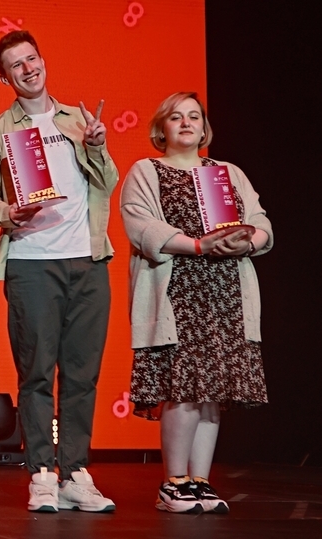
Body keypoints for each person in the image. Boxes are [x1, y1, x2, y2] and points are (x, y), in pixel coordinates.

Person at [0, 30, 118, 513]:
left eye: (32, 58)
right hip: (31, 262)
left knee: (82, 374)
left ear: (42, 60)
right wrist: (7, 212)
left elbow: (106, 181)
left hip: (88, 260)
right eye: (16, 65)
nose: (28, 68)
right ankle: (41, 473)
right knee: (35, 371)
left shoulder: (79, 119)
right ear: (5, 78)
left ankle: (76, 473)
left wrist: (97, 145)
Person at [121, 92, 271, 515]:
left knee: (212, 394)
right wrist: (199, 246)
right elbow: (141, 225)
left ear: (204, 127)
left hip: (227, 293)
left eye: (194, 116)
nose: (186, 123)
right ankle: (173, 483)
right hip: (177, 292)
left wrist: (247, 241)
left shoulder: (228, 172)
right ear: (161, 129)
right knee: (183, 389)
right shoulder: (147, 170)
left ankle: (200, 481)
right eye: (176, 117)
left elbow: (260, 222)